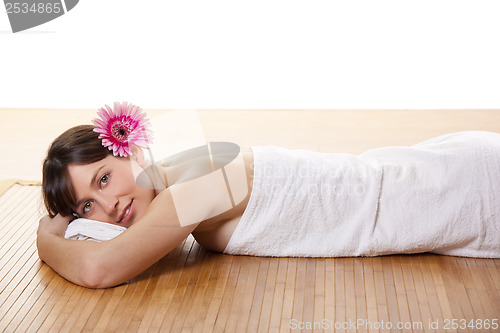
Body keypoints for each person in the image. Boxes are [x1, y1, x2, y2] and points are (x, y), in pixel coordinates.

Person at [38, 120, 500, 288]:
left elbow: (100, 270)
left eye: (104, 178)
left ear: (130, 150)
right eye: (86, 208)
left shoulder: (190, 190)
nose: (108, 205)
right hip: (418, 173)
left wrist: (49, 233)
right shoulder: (173, 171)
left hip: (450, 190)